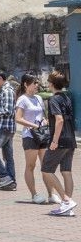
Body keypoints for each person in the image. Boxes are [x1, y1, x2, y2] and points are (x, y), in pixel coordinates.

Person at [42, 70, 76, 216]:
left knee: (46, 170)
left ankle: (66, 201)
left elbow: (59, 120)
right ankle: (67, 207)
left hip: (60, 140)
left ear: (51, 83)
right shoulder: (66, 97)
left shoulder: (54, 99)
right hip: (70, 140)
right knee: (66, 171)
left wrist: (54, 140)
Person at [16, 74, 50, 203]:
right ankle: (34, 194)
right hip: (29, 136)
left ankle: (51, 194)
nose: (37, 85)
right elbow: (18, 118)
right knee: (31, 165)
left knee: (46, 165)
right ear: (26, 84)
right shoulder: (22, 99)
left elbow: (42, 115)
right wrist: (33, 125)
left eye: (37, 83)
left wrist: (44, 121)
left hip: (42, 134)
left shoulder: (39, 98)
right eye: (34, 83)